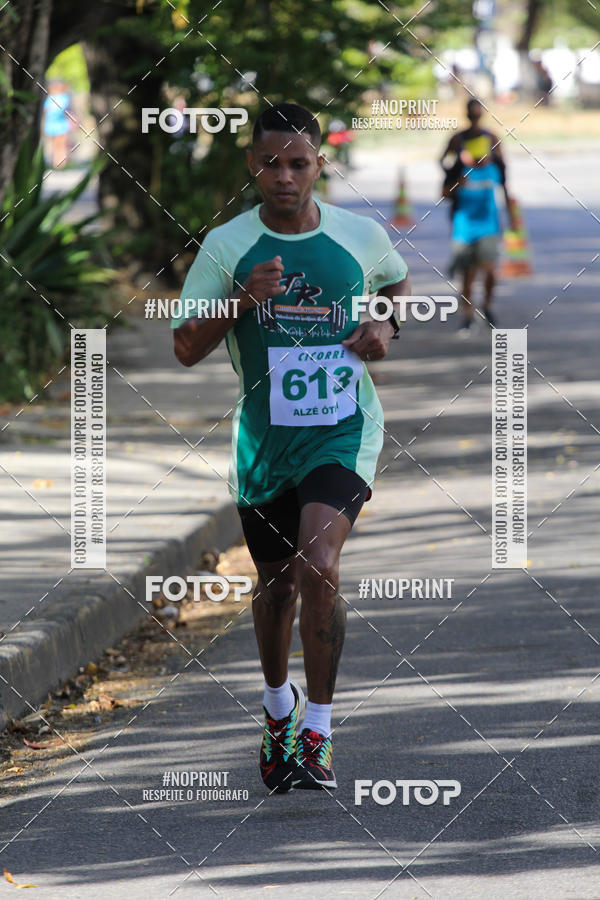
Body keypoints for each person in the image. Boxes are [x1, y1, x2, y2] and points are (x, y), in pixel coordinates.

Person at [172, 102, 410, 793]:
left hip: (343, 431)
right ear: (252, 164)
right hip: (265, 445)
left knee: (319, 562)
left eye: (298, 163)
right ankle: (279, 710)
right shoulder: (228, 245)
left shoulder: (357, 235)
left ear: (319, 165)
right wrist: (244, 299)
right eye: (271, 163)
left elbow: (396, 284)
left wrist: (386, 328)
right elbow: (185, 347)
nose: (284, 176)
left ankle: (321, 731)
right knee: (274, 586)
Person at [440, 98, 517, 333]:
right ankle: (467, 315)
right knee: (468, 274)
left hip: (488, 225)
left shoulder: (492, 144)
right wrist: (456, 181)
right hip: (464, 224)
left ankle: (487, 306)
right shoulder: (458, 142)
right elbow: (444, 181)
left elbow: (504, 182)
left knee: (490, 269)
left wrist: (512, 215)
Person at [42, 81, 73, 168]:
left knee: (57, 144)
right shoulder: (64, 98)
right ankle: (60, 163)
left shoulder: (51, 98)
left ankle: (58, 162)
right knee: (61, 144)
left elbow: (46, 110)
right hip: (58, 124)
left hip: (55, 124)